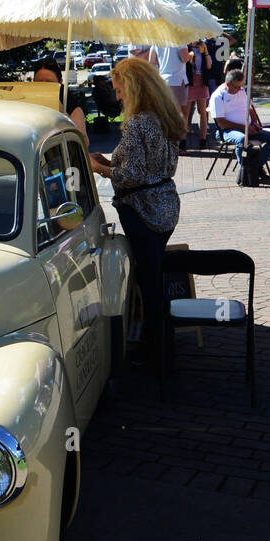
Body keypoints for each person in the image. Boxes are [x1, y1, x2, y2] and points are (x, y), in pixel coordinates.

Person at [87, 57, 183, 368]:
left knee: (149, 282)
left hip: (141, 208)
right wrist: (111, 162)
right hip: (165, 204)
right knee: (154, 277)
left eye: (119, 91)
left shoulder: (138, 121)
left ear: (133, 87)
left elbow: (134, 174)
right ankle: (161, 344)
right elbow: (150, 167)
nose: (116, 97)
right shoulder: (164, 115)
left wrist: (100, 168)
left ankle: (156, 349)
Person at [210, 68, 270, 182]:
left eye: (241, 86)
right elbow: (221, 122)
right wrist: (245, 128)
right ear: (228, 84)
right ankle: (244, 170)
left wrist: (254, 124)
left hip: (248, 128)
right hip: (227, 131)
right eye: (236, 87)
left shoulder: (241, 91)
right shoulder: (218, 96)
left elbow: (250, 110)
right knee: (242, 139)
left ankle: (255, 166)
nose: (240, 89)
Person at [149, 45, 193, 147]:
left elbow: (152, 61)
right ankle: (180, 142)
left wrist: (165, 62)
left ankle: (168, 141)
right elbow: (185, 59)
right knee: (181, 114)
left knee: (166, 113)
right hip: (178, 80)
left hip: (163, 80)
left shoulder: (156, 42)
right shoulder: (179, 42)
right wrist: (191, 55)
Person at [31, 57, 87, 136]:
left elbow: (83, 141)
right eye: (39, 82)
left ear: (60, 82)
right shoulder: (28, 105)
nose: (44, 87)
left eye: (49, 83)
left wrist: (60, 108)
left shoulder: (72, 108)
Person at [186, 40, 214, 148]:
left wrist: (205, 50)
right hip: (190, 81)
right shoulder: (187, 48)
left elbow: (209, 66)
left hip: (202, 81)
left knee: (202, 112)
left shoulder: (202, 49)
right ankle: (183, 141)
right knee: (186, 113)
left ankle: (203, 139)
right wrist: (190, 52)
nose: (196, 41)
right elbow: (184, 62)